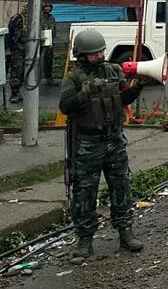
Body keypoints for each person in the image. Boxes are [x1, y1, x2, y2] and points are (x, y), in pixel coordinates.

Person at [59, 29, 144, 263]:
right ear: (82, 55)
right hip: (87, 144)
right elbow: (65, 106)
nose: (99, 56)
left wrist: (135, 89)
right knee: (85, 192)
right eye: (94, 53)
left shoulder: (113, 71)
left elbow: (122, 99)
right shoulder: (73, 78)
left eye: (101, 52)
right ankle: (84, 240)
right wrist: (85, 92)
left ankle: (125, 231)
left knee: (121, 187)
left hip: (114, 140)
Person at [5, 6, 29, 103]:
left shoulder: (36, 19)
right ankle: (14, 93)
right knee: (16, 71)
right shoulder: (17, 19)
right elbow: (9, 34)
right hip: (18, 50)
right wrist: (8, 50)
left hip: (30, 50)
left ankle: (20, 92)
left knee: (26, 72)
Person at [40, 3, 58, 86]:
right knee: (35, 59)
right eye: (46, 7)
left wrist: (52, 39)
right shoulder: (39, 17)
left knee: (49, 60)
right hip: (39, 41)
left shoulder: (52, 18)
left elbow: (54, 29)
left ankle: (49, 78)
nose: (47, 8)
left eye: (49, 7)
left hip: (49, 41)